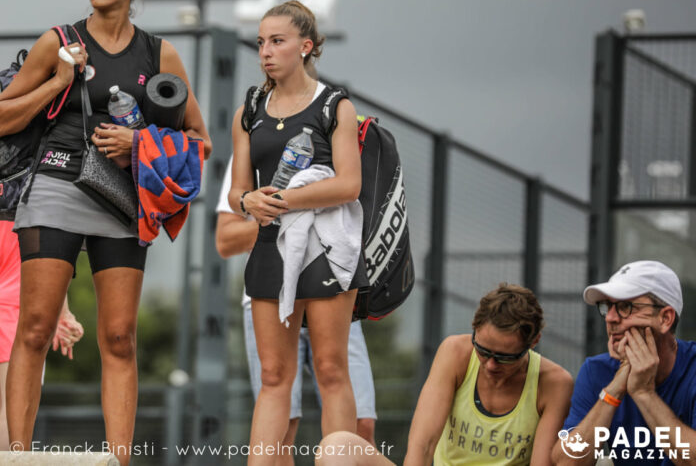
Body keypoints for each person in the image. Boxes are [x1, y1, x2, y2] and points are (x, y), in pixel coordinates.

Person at [0, 0, 211, 463]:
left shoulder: (160, 54)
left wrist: (140, 143)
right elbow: (0, 119)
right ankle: (20, 456)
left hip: (121, 200)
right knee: (36, 326)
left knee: (119, 338)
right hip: (57, 184)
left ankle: (119, 460)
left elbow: (201, 142)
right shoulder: (59, 41)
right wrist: (58, 80)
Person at [228, 1, 365, 465]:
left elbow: (350, 184)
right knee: (273, 376)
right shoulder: (249, 107)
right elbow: (236, 193)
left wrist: (283, 201)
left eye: (278, 41)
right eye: (261, 41)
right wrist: (247, 201)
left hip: (325, 246)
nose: (266, 51)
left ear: (306, 47)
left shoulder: (334, 105)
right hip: (270, 245)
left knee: (330, 368)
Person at [216, 155, 378, 464]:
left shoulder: (336, 126)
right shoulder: (254, 140)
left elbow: (356, 200)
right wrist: (294, 213)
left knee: (362, 425)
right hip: (271, 295)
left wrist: (299, 205)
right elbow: (225, 239)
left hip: (330, 284)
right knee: (282, 431)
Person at [404, 283, 573, 466]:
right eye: (483, 351)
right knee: (366, 454)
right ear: (474, 330)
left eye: (505, 357)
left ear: (534, 342)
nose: (491, 365)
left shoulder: (555, 383)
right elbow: (422, 447)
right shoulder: (455, 353)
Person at [554, 260, 695, 466]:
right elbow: (566, 462)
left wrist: (643, 393)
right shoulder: (597, 371)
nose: (610, 318)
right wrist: (615, 389)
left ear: (665, 318)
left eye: (625, 307)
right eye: (607, 307)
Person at [0, 204, 84, 450]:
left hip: (0, 304)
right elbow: (50, 259)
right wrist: (63, 312)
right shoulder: (34, 194)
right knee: (12, 418)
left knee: (5, 413)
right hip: (17, 307)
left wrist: (62, 313)